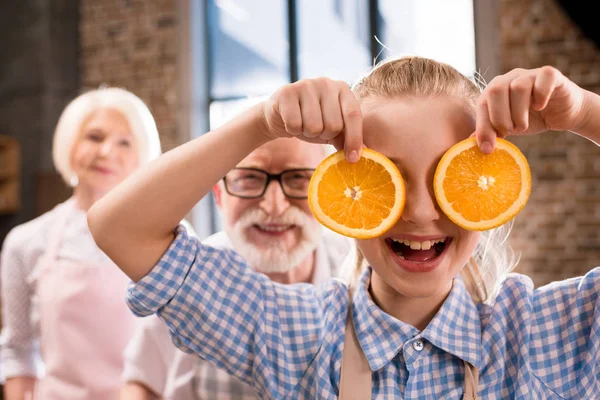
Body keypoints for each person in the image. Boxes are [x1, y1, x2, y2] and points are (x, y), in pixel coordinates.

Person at [88, 56, 600, 398]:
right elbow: (120, 225)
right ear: (348, 195)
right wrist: (263, 122)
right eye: (389, 179)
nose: (420, 212)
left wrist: (584, 112)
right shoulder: (300, 336)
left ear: (487, 189)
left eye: (450, 177)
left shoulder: (542, 334)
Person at [120, 138, 350, 399]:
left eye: (298, 179)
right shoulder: (191, 270)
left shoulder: (356, 271)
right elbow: (142, 382)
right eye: (249, 179)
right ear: (219, 195)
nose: (274, 206)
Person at [0, 87, 164, 400]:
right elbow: (18, 352)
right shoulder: (26, 242)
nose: (106, 152)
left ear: (142, 155)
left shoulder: (169, 236)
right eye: (94, 137)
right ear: (69, 145)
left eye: (124, 142)